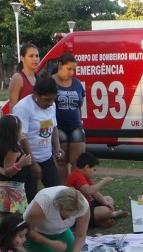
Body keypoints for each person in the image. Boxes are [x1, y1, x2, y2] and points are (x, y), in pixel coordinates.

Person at [22, 185, 89, 252]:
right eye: (67, 214)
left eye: (74, 214)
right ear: (59, 206)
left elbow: (81, 235)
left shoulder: (83, 205)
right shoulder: (44, 202)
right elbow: (27, 230)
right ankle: (22, 250)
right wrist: (51, 243)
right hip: (38, 232)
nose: (70, 217)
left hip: (61, 231)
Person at [12, 76, 63, 192]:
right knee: (30, 196)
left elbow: (54, 126)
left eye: (53, 100)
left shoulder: (52, 106)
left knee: (57, 192)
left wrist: (57, 147)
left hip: (46, 157)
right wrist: (33, 164)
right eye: (47, 100)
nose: (50, 103)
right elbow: (22, 137)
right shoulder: (23, 108)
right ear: (36, 94)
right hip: (27, 160)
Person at [64, 152, 128, 228]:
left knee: (108, 199)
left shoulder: (84, 177)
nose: (95, 173)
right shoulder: (77, 176)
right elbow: (88, 191)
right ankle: (113, 214)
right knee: (105, 211)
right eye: (94, 170)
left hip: (86, 205)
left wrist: (106, 204)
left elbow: (95, 194)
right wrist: (103, 182)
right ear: (87, 167)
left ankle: (100, 221)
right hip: (78, 212)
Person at [0, 114, 34, 214]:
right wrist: (20, 164)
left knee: (6, 216)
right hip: (13, 188)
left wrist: (2, 171)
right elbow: (9, 171)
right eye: (19, 130)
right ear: (13, 132)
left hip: (3, 185)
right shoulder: (13, 150)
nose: (21, 132)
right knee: (15, 218)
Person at [52, 53, 86, 182]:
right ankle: (63, 190)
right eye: (69, 69)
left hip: (76, 126)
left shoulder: (76, 83)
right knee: (61, 161)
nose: (72, 72)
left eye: (74, 69)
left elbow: (80, 103)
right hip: (58, 127)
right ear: (60, 65)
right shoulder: (51, 81)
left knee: (77, 161)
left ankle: (76, 189)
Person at [7, 44, 40, 111]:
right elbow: (13, 106)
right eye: (31, 56)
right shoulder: (18, 78)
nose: (35, 59)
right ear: (22, 58)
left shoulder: (39, 78)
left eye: (37, 56)